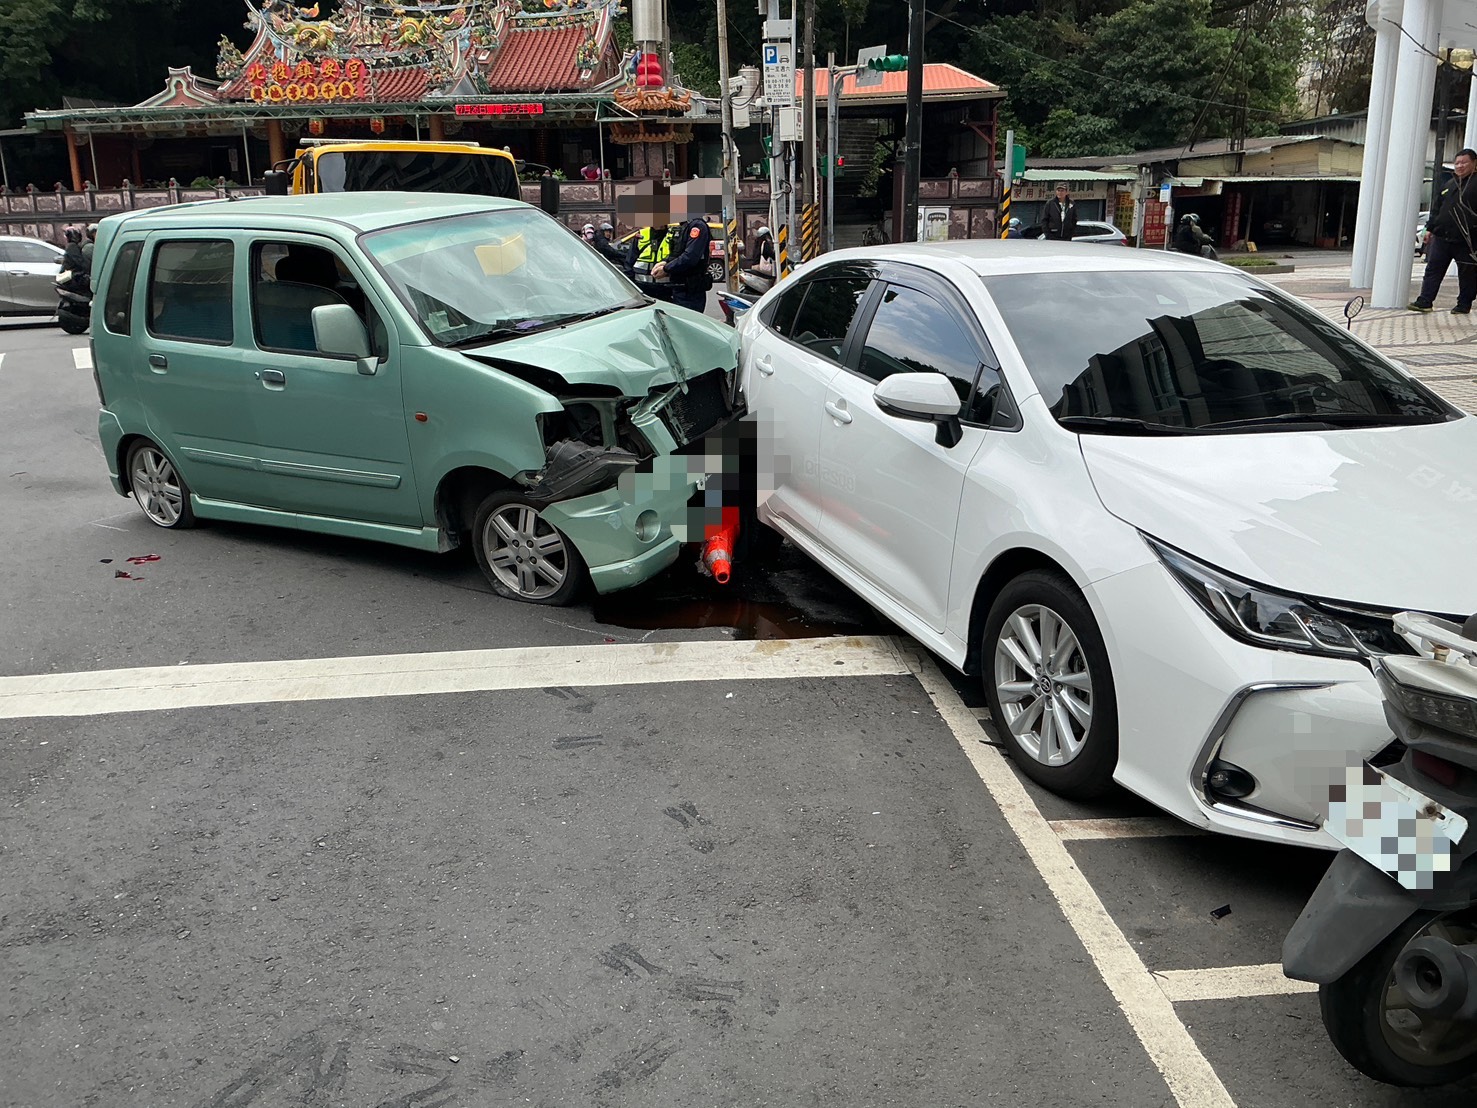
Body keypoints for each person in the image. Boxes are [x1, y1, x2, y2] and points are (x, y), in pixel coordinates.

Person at [1410, 147, 1477, 314]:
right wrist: (1429, 229)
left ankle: (1464, 304)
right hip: (1442, 237)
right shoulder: (1449, 184)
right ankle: (1425, 301)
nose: (1460, 166)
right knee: (1433, 269)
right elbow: (1436, 209)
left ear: (1474, 163)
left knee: (1468, 274)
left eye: (1464, 162)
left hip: (1467, 240)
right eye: (1457, 163)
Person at [652, 210, 713, 313]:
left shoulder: (697, 225)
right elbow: (678, 252)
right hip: (679, 288)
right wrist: (666, 262)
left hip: (690, 289)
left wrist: (666, 269)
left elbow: (690, 257)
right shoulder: (684, 225)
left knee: (688, 320)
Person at [625, 222, 674, 298]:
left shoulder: (673, 235)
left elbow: (677, 259)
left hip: (665, 289)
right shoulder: (642, 235)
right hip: (641, 288)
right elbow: (629, 262)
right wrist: (629, 287)